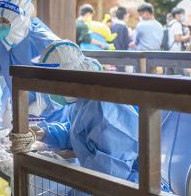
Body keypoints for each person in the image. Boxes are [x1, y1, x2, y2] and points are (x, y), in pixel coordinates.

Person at [34, 40, 170, 192]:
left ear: (67, 77)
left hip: (133, 188)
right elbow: (78, 132)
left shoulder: (103, 108)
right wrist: (45, 132)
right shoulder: (82, 98)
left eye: (51, 82)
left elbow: (109, 175)